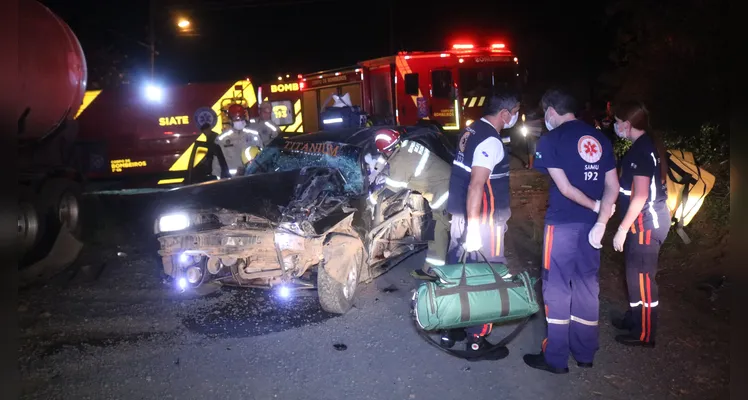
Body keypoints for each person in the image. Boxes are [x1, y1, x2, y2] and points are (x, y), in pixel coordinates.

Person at [523, 88, 619, 374]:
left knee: (556, 287)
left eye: (545, 113)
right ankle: (585, 353)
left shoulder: (551, 139)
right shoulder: (600, 138)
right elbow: (613, 186)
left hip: (562, 225)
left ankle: (555, 358)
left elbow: (564, 188)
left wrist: (593, 207)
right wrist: (601, 220)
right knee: (588, 285)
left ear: (551, 111)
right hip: (592, 229)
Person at [445, 89, 520, 353]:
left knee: (457, 271)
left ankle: (451, 328)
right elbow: (477, 185)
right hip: (484, 221)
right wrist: (475, 229)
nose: (516, 117)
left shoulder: (471, 130)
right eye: (515, 112)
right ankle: (477, 339)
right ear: (504, 114)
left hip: (460, 215)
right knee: (487, 277)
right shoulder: (491, 141)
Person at [609, 101, 670, 348]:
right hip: (643, 222)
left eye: (617, 121)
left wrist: (622, 229)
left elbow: (641, 195)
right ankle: (636, 319)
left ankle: (645, 333)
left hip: (645, 224)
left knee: (643, 281)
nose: (614, 125)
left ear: (627, 124)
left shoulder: (640, 152)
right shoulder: (644, 146)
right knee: (634, 277)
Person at [368, 128, 451, 279]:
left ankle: (435, 272)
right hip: (447, 181)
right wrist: (374, 170)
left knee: (439, 229)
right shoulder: (406, 145)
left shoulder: (400, 163)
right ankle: (437, 268)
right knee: (442, 229)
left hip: (444, 193)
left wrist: (371, 199)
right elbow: (386, 157)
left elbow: (389, 190)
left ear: (386, 149)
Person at [213, 104, 256, 177]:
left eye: (240, 117)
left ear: (244, 117)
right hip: (231, 181)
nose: (238, 120)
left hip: (251, 179)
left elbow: (262, 158)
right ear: (230, 120)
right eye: (236, 118)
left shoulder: (254, 135)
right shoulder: (221, 139)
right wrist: (217, 184)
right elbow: (216, 166)